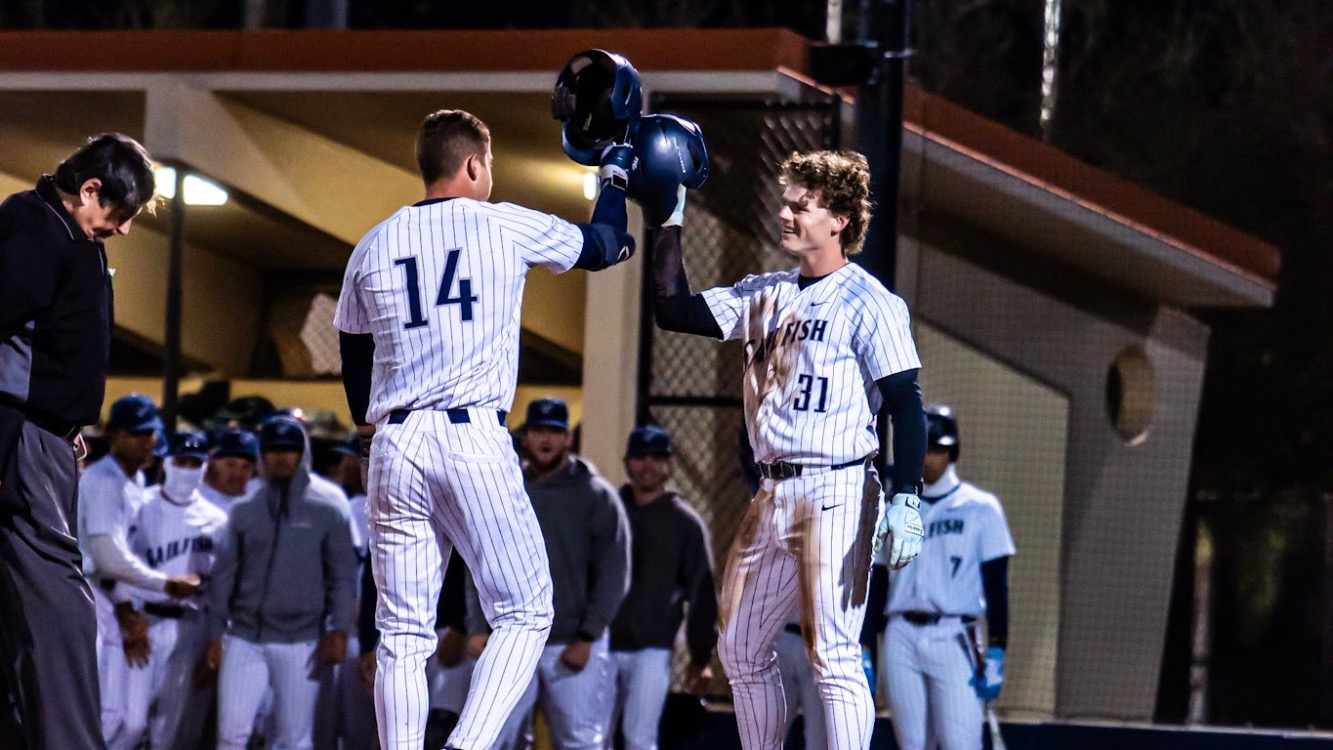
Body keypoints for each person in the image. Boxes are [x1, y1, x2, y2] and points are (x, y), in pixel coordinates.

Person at [333, 107, 639, 750]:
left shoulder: (374, 242)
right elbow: (607, 246)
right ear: (473, 164)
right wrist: (614, 177)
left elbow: (354, 353)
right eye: (489, 164)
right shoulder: (502, 224)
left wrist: (371, 429)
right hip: (470, 434)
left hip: (393, 440)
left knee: (403, 634)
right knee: (526, 611)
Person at [646, 149, 928, 750]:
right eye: (786, 200)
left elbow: (905, 400)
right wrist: (668, 223)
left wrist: (906, 495)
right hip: (772, 489)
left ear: (841, 219)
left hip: (839, 484)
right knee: (739, 648)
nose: (786, 212)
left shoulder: (869, 301)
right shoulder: (766, 293)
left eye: (802, 204)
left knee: (832, 651)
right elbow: (673, 309)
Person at [0, 132, 157, 750]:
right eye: (118, 214)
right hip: (20, 437)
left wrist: (65, 426)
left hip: (39, 435)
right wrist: (37, 429)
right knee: (61, 607)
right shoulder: (35, 228)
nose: (121, 229)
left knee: (27, 608)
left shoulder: (60, 232)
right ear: (89, 189)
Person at [465, 397, 630, 750]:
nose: (546, 439)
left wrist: (588, 635)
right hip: (511, 640)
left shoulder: (596, 495)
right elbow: (480, 560)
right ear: (526, 436)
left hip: (572, 643)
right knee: (497, 740)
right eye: (539, 430)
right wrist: (477, 627)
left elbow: (613, 572)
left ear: (567, 438)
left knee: (580, 743)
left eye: (554, 432)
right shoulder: (505, 489)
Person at [206, 415, 359, 750]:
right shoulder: (244, 509)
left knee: (294, 739)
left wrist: (339, 629)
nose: (281, 456)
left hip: (301, 640)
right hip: (244, 636)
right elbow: (224, 576)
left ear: (302, 452)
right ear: (262, 452)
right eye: (273, 449)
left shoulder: (329, 504)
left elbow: (343, 574)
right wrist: (215, 633)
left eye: (289, 449)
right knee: (230, 737)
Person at [880, 406, 1014, 750]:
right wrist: (868, 646)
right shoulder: (894, 508)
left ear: (951, 451)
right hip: (901, 635)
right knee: (912, 744)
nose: (929, 459)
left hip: (955, 634)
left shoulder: (980, 508)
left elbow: (997, 585)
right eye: (923, 449)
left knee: (960, 743)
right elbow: (878, 579)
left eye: (937, 450)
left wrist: (997, 648)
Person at [78, 394, 202, 750]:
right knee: (103, 717)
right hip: (88, 599)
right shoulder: (104, 480)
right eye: (136, 433)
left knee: (129, 723)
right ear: (113, 434)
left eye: (150, 432)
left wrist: (126, 607)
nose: (147, 440)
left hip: (111, 598)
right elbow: (106, 556)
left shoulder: (134, 482)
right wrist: (165, 584)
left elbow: (115, 565)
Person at [605, 425, 717, 750]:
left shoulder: (685, 522)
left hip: (652, 648)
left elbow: (702, 593)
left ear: (669, 465)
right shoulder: (608, 510)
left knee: (640, 740)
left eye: (657, 457)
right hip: (599, 643)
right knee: (591, 738)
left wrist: (700, 657)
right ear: (627, 462)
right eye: (640, 456)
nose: (648, 464)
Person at [124, 431, 229, 750]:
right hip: (141, 622)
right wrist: (126, 617)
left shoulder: (216, 519)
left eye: (195, 463)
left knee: (172, 730)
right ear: (167, 463)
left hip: (189, 628)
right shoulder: (140, 505)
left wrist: (215, 639)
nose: (187, 469)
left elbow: (218, 589)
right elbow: (117, 569)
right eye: (181, 461)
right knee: (128, 723)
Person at [198, 428, 261, 514]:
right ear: (212, 462)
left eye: (246, 467)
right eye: (230, 465)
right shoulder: (191, 493)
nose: (237, 473)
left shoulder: (259, 497)